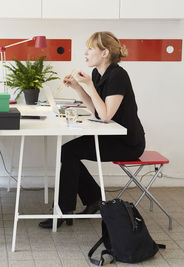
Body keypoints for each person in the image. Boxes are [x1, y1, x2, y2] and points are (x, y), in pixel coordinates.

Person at [39, 31, 145, 229]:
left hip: (127, 142)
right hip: (111, 136)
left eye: (90, 48)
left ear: (104, 53)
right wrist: (78, 88)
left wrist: (89, 85)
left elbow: (106, 115)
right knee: (68, 152)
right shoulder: (98, 73)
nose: (85, 53)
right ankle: (85, 201)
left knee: (69, 152)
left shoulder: (118, 75)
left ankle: (65, 210)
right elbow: (96, 111)